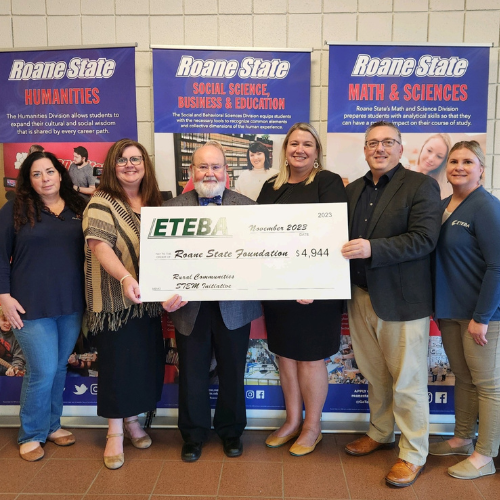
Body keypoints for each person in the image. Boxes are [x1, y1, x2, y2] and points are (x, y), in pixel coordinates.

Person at [340, 121, 441, 487]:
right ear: (365, 149)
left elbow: (424, 239)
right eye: (372, 143)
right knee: (374, 373)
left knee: (408, 381)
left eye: (387, 143)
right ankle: (381, 432)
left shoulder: (421, 185)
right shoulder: (352, 191)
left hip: (401, 301)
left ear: (401, 148)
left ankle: (413, 452)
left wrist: (373, 248)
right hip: (360, 296)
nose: (379, 148)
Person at [162, 141, 262, 462]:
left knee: (233, 370)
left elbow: (261, 258)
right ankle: (193, 435)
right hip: (189, 308)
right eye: (202, 167)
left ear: (226, 172)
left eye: (215, 166)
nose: (209, 173)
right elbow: (160, 263)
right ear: (191, 172)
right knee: (192, 371)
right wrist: (163, 290)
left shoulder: (248, 209)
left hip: (234, 306)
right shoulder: (170, 210)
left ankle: (231, 431)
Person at [256, 123, 346, 456]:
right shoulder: (270, 185)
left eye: (307, 144)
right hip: (280, 286)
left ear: (317, 151)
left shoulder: (327, 181)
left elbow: (333, 233)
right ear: (284, 150)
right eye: (294, 144)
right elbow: (260, 233)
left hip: (315, 288)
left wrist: (314, 279)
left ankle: (313, 426)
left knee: (309, 359)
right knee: (286, 356)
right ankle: (292, 421)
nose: (300, 149)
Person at [83, 139, 165, 470]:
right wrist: (125, 279)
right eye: (121, 160)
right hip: (115, 304)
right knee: (117, 367)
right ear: (112, 167)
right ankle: (114, 432)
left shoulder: (155, 203)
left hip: (148, 303)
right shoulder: (102, 201)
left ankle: (132, 422)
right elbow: (99, 246)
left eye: (135, 159)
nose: (129, 165)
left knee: (142, 364)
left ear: (145, 165)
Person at [0, 151, 87, 461]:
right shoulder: (15, 209)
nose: (44, 178)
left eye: (49, 171)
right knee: (43, 369)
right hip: (29, 305)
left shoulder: (78, 207)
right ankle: (31, 434)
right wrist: (3, 296)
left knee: (59, 366)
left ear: (60, 174)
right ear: (29, 180)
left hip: (71, 302)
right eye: (36, 174)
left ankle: (52, 425)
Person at [431, 140, 500, 480]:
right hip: (450, 312)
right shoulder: (444, 205)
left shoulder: (486, 206)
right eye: (454, 161)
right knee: (465, 379)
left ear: (481, 169)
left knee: (487, 384)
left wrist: (482, 317)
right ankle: (461, 438)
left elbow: (498, 267)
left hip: (481, 316)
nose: (459, 166)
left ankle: (485, 455)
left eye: (468, 162)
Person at [415, 133, 452, 198]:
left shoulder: (439, 188)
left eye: (439, 156)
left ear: (443, 162)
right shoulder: (402, 173)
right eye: (429, 150)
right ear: (423, 147)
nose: (431, 158)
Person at [0, 305, 25, 376]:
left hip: (9, 366)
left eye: (10, 320)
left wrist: (15, 368)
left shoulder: (18, 337)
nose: (8, 323)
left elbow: (19, 358)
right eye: (4, 320)